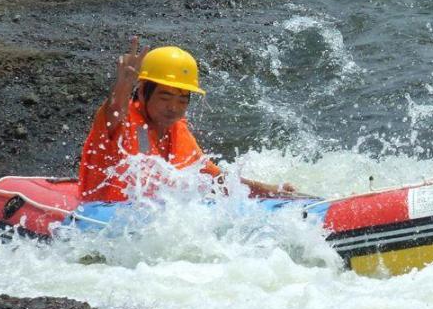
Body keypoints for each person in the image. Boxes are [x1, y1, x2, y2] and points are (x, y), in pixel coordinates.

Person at [79, 38, 295, 202]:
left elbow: (215, 179)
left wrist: (271, 190)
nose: (174, 108)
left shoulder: (177, 129)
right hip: (101, 217)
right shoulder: (121, 121)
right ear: (143, 91)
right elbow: (115, 110)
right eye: (165, 96)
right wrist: (124, 84)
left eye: (182, 99)